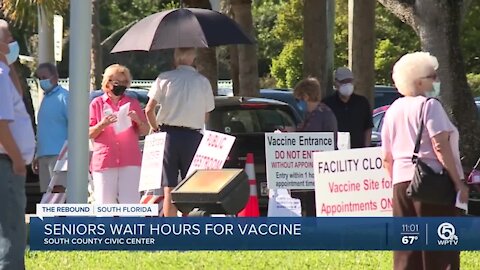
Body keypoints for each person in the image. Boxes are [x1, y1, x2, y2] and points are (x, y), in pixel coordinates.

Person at [381, 52, 469, 270]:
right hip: (432, 183)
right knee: (440, 247)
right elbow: (440, 145)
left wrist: (398, 180)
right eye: (433, 76)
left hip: (401, 184)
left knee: (407, 247)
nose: (437, 81)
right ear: (419, 81)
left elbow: (386, 157)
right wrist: (459, 183)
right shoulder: (430, 105)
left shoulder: (392, 110)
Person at [145, 47, 215, 217]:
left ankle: (171, 228)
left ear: (176, 58)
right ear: (193, 59)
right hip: (192, 135)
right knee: (190, 185)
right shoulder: (202, 82)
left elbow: (149, 110)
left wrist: (155, 127)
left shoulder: (165, 78)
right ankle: (187, 227)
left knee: (169, 185)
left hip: (168, 135)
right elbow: (206, 114)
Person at [0, 19, 36, 270]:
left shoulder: (4, 73)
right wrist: (17, 162)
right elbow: (1, 124)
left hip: (7, 162)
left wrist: (9, 63)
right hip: (6, 163)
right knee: (11, 232)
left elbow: (18, 94)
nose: (13, 42)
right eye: (8, 37)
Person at [89, 64, 149, 204]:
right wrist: (102, 124)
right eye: (117, 82)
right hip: (105, 159)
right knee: (104, 204)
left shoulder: (132, 103)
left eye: (124, 83)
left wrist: (138, 121)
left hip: (130, 159)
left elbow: (146, 131)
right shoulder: (96, 104)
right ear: (108, 82)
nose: (121, 86)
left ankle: (130, 227)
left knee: (130, 204)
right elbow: (89, 133)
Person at [290, 77, 338, 217]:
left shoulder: (322, 114)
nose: (298, 103)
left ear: (305, 96)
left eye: (298, 99)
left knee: (314, 209)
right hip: (310, 174)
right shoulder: (311, 115)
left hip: (320, 174)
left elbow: (312, 140)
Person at [32, 63, 68, 193]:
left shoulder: (64, 97)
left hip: (59, 155)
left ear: (55, 77)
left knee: (58, 193)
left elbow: (74, 126)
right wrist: (37, 154)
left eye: (44, 77)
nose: (42, 81)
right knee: (46, 195)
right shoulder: (45, 99)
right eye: (40, 78)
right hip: (44, 155)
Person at [323, 67, 373, 148]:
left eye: (349, 81)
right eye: (343, 82)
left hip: (358, 152)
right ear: (335, 83)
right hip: (334, 153)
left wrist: (366, 148)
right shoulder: (327, 104)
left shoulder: (362, 103)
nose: (346, 84)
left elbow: (368, 127)